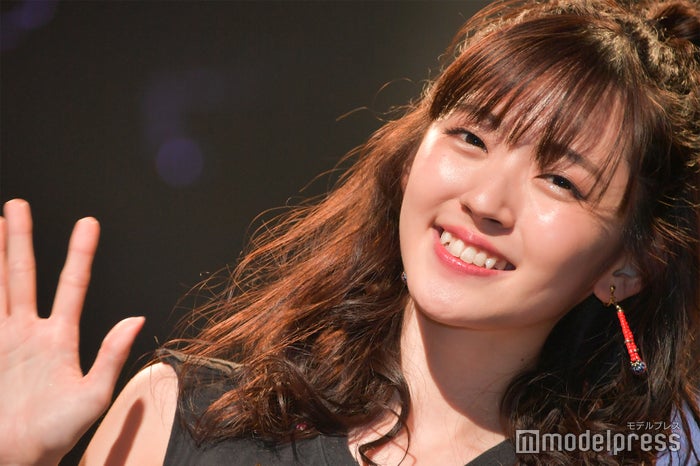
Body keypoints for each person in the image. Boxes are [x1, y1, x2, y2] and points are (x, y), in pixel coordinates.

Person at [1, 0, 699, 464]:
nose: (486, 200)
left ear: (627, 266)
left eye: (561, 181)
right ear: (412, 159)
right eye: (471, 137)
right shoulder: (186, 418)